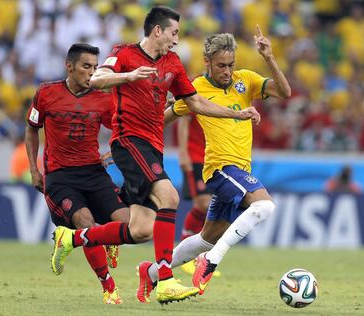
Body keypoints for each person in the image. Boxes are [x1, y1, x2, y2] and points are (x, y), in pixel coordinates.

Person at [50, 6, 260, 305]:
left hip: (153, 147)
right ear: (157, 30)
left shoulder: (172, 63)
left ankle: (71, 238)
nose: (176, 39)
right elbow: (97, 79)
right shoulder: (124, 54)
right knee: (170, 197)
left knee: (141, 230)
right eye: (174, 32)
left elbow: (196, 102)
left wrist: (235, 115)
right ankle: (164, 280)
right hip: (130, 140)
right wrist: (130, 76)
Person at [136, 26, 291, 300]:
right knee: (264, 205)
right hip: (220, 168)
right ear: (207, 62)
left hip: (239, 171)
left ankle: (149, 273)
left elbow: (284, 92)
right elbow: (165, 117)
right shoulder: (196, 88)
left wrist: (269, 57)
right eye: (221, 65)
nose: (227, 72)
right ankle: (212, 261)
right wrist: (133, 138)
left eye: (231, 65)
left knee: (205, 239)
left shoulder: (246, 80)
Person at [25, 43, 130, 305]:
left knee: (130, 224)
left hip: (94, 172)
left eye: (95, 67)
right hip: (61, 176)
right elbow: (31, 129)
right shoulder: (46, 93)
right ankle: (109, 287)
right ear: (69, 67)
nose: (92, 73)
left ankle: (71, 239)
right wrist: (33, 168)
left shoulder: (103, 98)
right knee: (86, 221)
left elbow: (123, 128)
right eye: (86, 67)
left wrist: (115, 154)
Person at [177, 114, 221, 277]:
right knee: (203, 204)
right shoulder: (197, 90)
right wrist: (183, 152)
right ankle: (185, 255)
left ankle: (198, 257)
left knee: (211, 207)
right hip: (195, 155)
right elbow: (183, 119)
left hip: (214, 158)